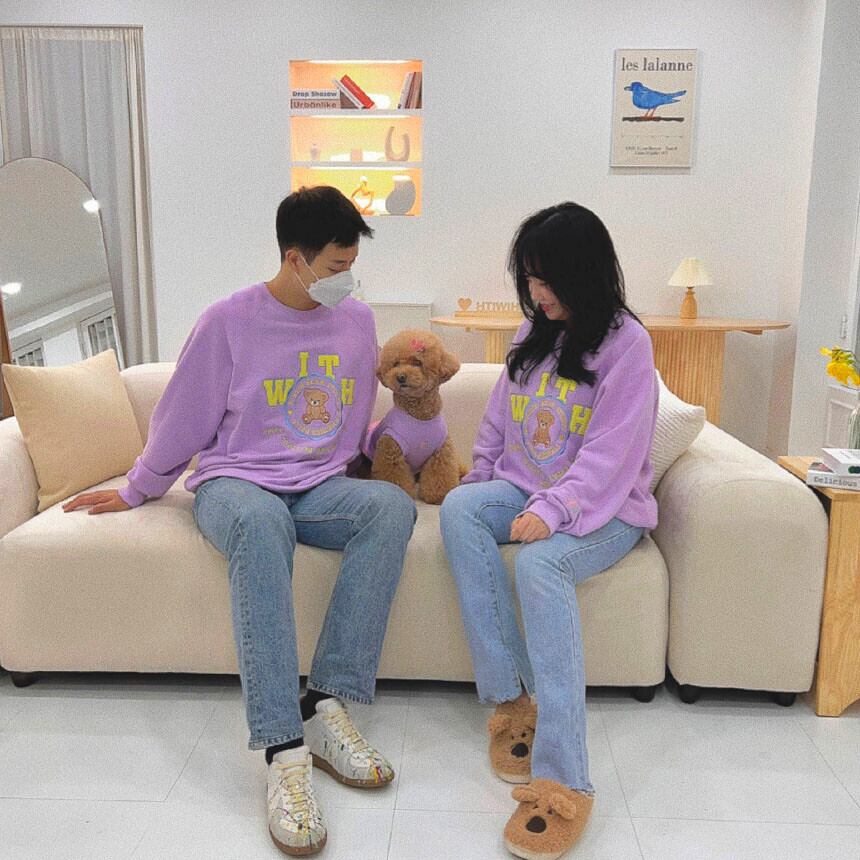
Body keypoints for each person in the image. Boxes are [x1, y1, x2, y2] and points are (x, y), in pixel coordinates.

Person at [63, 186, 416, 856]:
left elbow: (354, 413)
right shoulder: (228, 322)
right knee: (260, 525)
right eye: (335, 267)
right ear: (294, 258)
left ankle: (326, 702)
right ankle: (285, 751)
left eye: (351, 266)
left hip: (319, 486)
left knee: (391, 509)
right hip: (237, 482)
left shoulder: (357, 322)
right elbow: (184, 418)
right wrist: (138, 488)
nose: (346, 280)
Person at [440, 202, 658, 860]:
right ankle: (512, 702)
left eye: (548, 279)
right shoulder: (532, 332)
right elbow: (499, 420)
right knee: (459, 509)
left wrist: (556, 509)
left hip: (605, 508)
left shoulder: (627, 344)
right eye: (530, 280)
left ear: (586, 273)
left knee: (540, 565)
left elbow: (611, 456)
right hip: (524, 488)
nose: (537, 293)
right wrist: (482, 477)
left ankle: (565, 777)